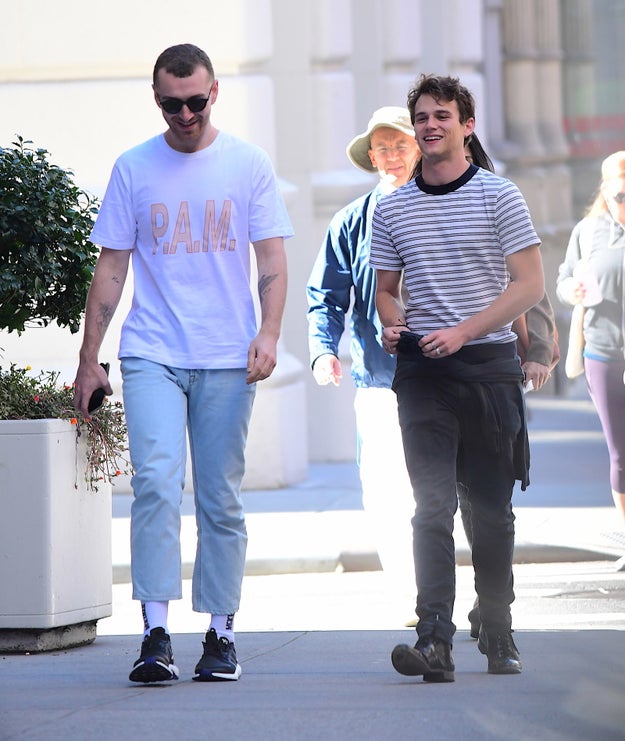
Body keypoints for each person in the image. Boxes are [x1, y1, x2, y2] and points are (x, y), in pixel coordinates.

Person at [73, 43, 293, 683]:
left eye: (196, 101)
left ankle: (221, 634)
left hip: (227, 355)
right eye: (173, 104)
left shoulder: (248, 164)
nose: (186, 115)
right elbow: (110, 266)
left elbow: (272, 262)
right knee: (156, 485)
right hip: (152, 351)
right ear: (157, 99)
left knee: (220, 497)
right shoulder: (134, 167)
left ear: (214, 92)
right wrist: (90, 360)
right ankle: (155, 633)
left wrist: (270, 334)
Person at [370, 74, 544, 681]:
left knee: (491, 514)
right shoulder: (391, 208)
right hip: (422, 372)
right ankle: (434, 640)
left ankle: (497, 629)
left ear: (466, 126)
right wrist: (392, 324)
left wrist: (466, 331)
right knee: (431, 507)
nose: (430, 125)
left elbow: (530, 286)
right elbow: (385, 292)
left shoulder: (500, 196)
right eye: (422, 117)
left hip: (489, 370)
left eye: (442, 115)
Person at [306, 106, 420, 598]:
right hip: (378, 379)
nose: (391, 156)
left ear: (419, 148)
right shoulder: (352, 220)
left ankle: (443, 591)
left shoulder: (444, 207)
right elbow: (325, 297)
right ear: (371, 157)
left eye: (401, 145)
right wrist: (321, 351)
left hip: (447, 372)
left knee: (440, 490)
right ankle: (410, 592)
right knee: (385, 490)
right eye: (383, 148)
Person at [557, 150, 625, 573]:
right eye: (617, 193)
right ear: (604, 192)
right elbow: (564, 277)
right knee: (620, 452)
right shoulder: (588, 231)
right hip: (601, 350)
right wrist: (571, 293)